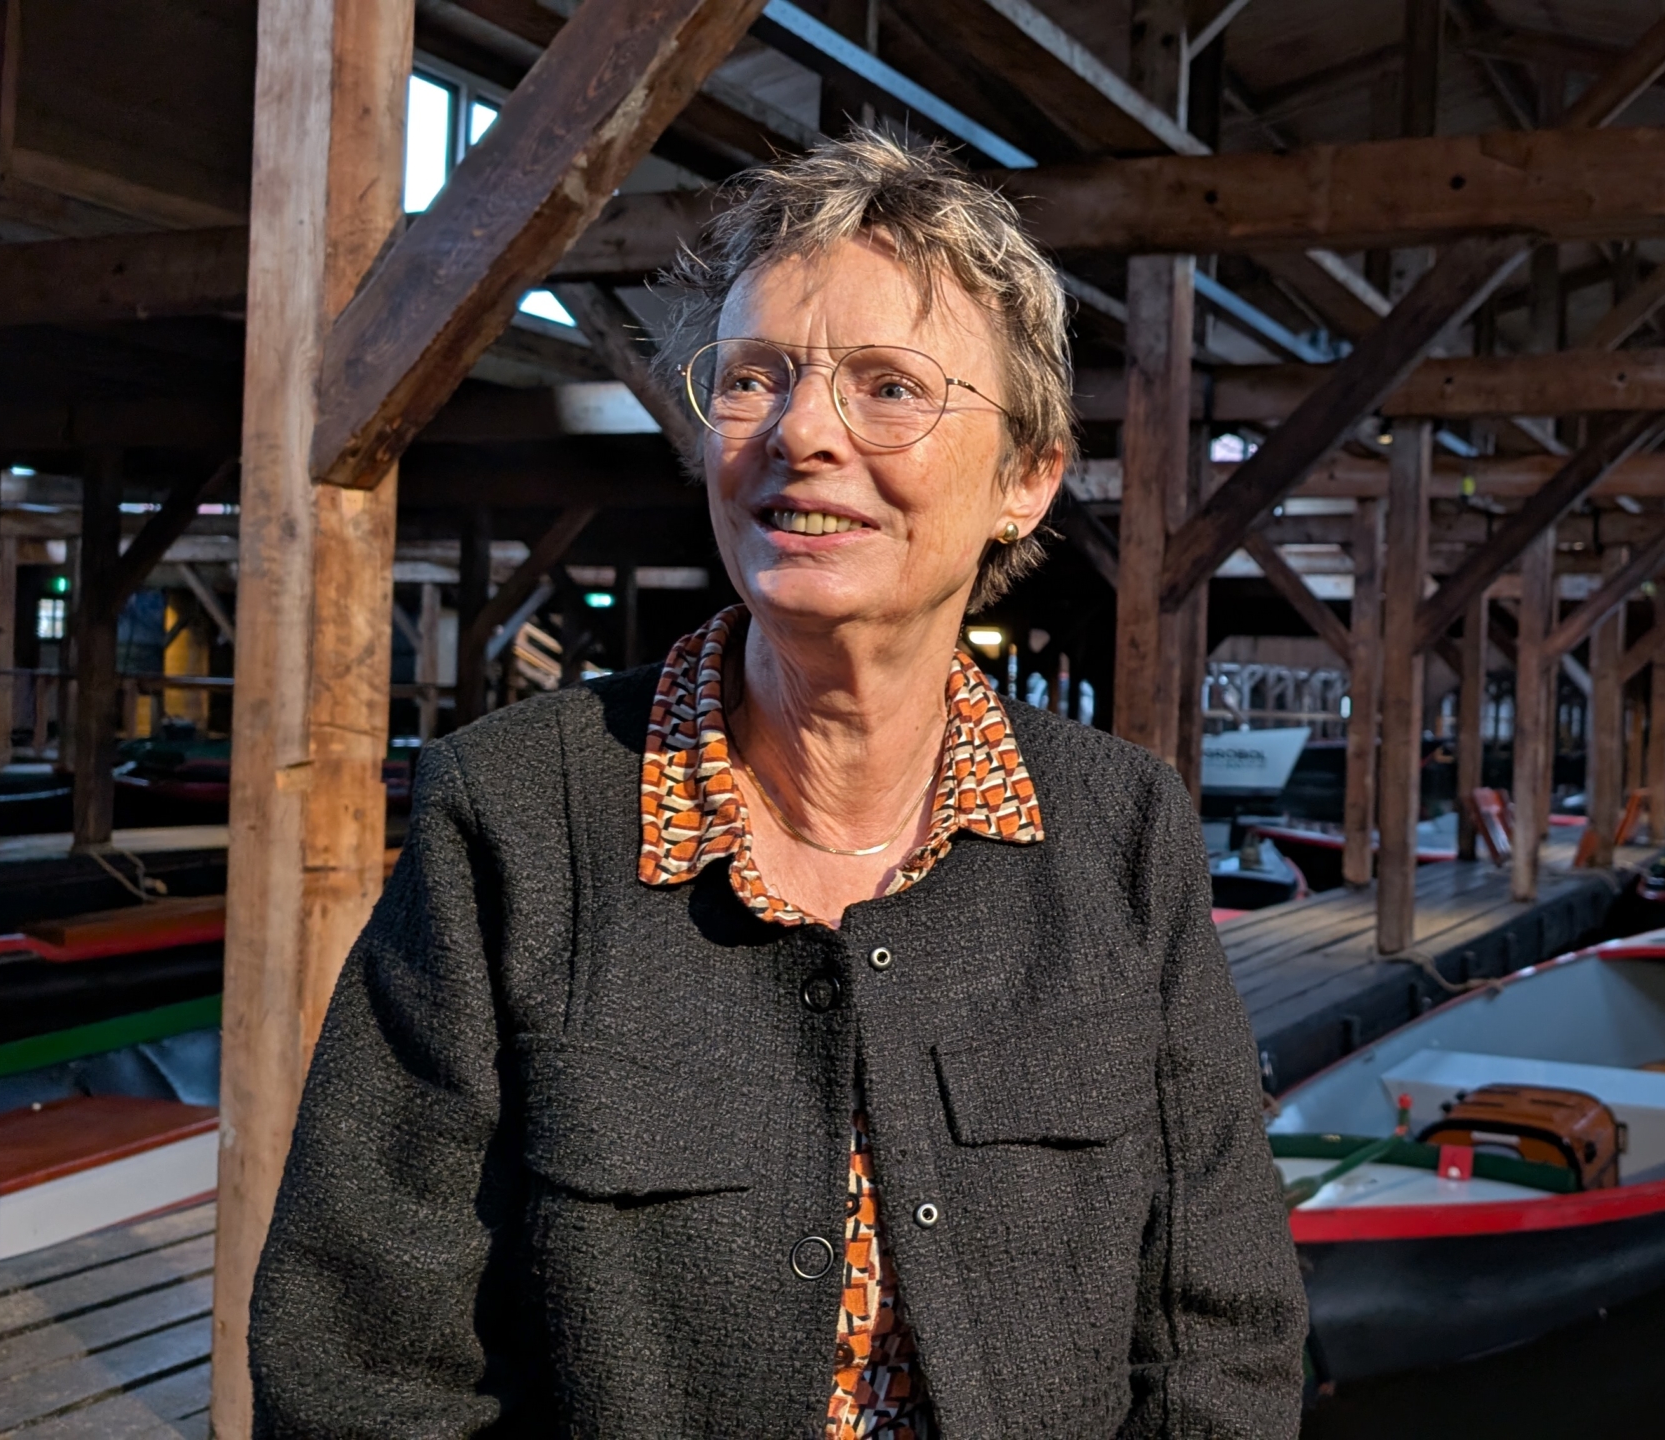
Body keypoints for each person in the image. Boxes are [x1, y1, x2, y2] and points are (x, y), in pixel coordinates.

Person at [250, 134, 1307, 1438]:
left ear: (1027, 480)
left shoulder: (1123, 835)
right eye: (756, 377)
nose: (804, 431)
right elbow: (359, 1366)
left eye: (888, 386)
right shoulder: (516, 819)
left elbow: (1224, 1336)